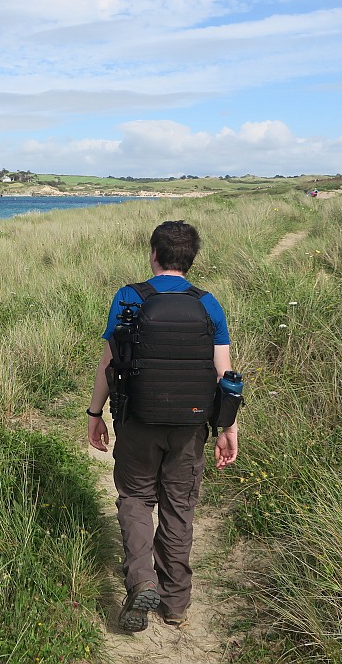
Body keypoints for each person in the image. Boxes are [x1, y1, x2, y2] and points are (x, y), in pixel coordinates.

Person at [86, 220, 238, 633]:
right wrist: (228, 428)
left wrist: (95, 414)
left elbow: (109, 362)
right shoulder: (208, 303)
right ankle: (175, 604)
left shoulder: (129, 297)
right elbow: (224, 373)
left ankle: (141, 580)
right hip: (191, 426)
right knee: (179, 507)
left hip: (138, 420)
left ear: (153, 254)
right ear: (191, 259)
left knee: (135, 498)